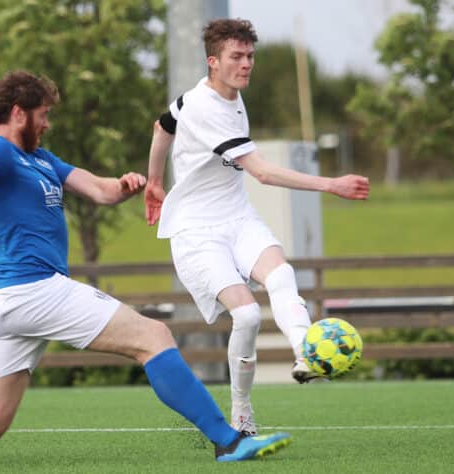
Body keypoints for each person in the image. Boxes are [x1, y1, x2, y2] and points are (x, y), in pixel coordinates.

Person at [0, 70, 291, 462]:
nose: (47, 123)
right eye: (43, 114)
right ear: (18, 113)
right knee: (153, 336)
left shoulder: (41, 159)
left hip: (11, 301)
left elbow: (99, 190)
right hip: (33, 290)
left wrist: (124, 186)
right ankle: (229, 441)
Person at [144, 18, 370, 435]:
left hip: (238, 217)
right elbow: (262, 173)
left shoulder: (216, 95)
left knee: (281, 275)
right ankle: (242, 412)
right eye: (236, 56)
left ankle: (306, 353)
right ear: (213, 61)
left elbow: (163, 125)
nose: (246, 64)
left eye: (250, 56)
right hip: (197, 232)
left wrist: (155, 181)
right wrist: (331, 184)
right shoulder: (205, 107)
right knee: (247, 315)